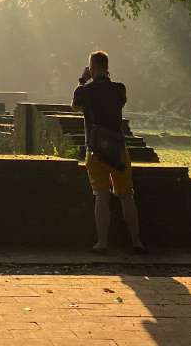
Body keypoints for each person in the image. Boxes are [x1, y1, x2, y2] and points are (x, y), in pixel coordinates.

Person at [72, 50, 146, 254]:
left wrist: (82, 80)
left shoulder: (85, 90)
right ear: (107, 67)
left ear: (92, 68)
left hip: (95, 150)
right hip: (118, 148)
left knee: (101, 196)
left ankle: (102, 242)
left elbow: (75, 107)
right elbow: (119, 102)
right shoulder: (119, 89)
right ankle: (136, 241)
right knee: (126, 196)